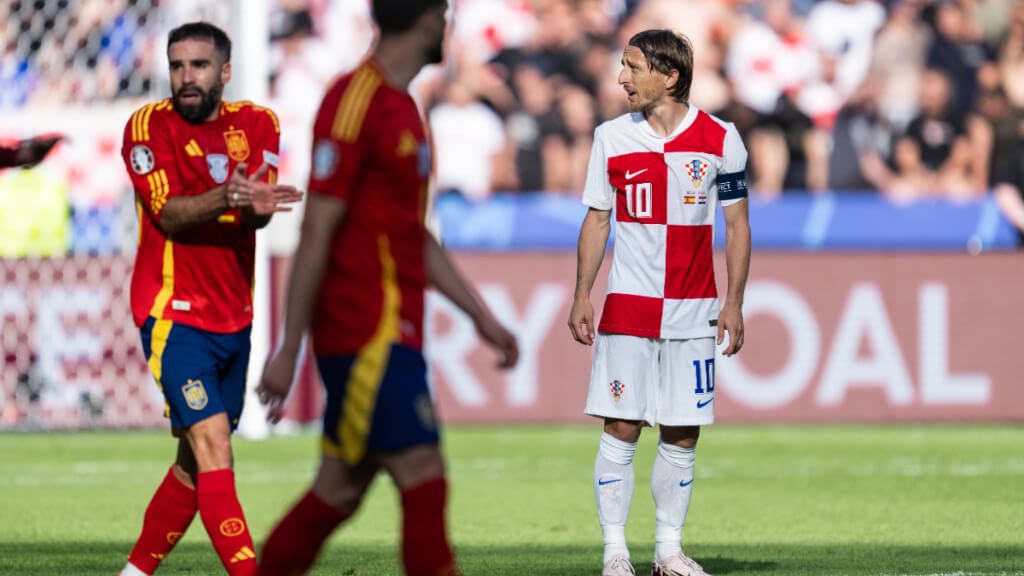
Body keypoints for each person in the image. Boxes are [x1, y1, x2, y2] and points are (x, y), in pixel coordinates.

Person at [256, 1, 519, 575]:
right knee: (422, 470)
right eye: (444, 15)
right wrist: (288, 347)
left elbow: (413, 233)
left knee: (340, 489)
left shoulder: (404, 107)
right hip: (364, 329)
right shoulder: (355, 99)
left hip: (394, 327)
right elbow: (317, 226)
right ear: (427, 21)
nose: (447, 27)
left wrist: (481, 317)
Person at [118, 22, 302, 576]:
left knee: (195, 463)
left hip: (233, 318)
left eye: (199, 65)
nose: (186, 77)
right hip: (173, 313)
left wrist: (257, 206)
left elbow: (257, 212)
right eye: (177, 66)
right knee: (215, 445)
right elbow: (169, 214)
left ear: (225, 71)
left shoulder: (258, 123)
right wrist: (229, 195)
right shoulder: (149, 126)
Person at [568, 30, 752, 576]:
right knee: (621, 427)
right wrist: (582, 293)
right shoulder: (610, 138)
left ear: (669, 76)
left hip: (694, 310)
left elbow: (738, 226)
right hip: (629, 305)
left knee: (682, 432)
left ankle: (668, 552)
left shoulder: (721, 138)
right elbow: (598, 219)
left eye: (632, 67)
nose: (621, 78)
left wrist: (735, 301)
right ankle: (615, 553)